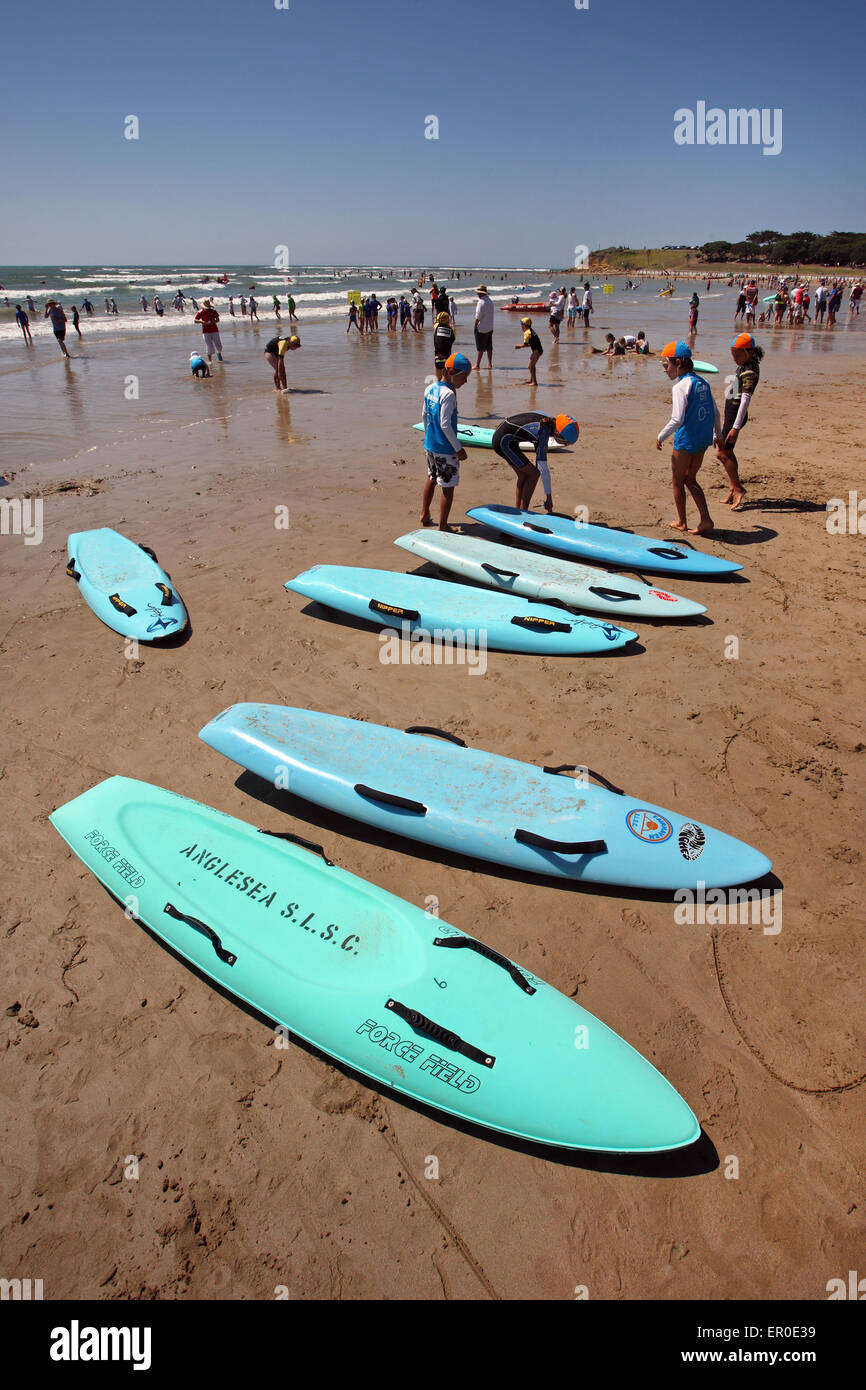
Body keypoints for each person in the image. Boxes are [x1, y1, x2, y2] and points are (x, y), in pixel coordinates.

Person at [656, 340, 720, 535]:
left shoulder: (680, 387)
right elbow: (715, 411)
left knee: (677, 480)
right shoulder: (702, 382)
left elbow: (677, 419)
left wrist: (660, 437)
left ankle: (682, 521)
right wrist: (718, 434)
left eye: (666, 365)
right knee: (690, 479)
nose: (665, 370)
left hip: (686, 440)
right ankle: (706, 519)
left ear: (679, 363)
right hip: (703, 438)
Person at [420, 351, 471, 530]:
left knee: (432, 477)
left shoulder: (430, 388)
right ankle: (443, 525)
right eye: (464, 377)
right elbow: (444, 424)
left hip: (430, 445)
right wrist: (458, 448)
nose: (465, 381)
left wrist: (428, 436)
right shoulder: (448, 394)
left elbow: (424, 415)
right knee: (448, 488)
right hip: (445, 448)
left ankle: (424, 513)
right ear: (452, 373)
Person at [492, 411, 578, 512]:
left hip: (508, 437)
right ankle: (524, 511)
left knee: (524, 475)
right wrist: (549, 497)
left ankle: (517, 510)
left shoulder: (548, 421)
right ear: (557, 433)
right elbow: (543, 468)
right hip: (502, 441)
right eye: (565, 443)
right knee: (534, 474)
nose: (564, 445)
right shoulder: (543, 431)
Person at [715, 331, 763, 512]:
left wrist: (735, 427)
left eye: (738, 355)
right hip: (731, 412)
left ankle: (738, 488)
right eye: (732, 355)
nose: (734, 358)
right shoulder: (746, 365)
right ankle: (732, 487)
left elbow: (745, 400)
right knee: (727, 452)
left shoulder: (749, 371)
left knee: (723, 453)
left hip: (736, 414)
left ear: (750, 352)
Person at [515, 316, 543, 385]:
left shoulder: (527, 333)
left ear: (525, 325)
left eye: (521, 325)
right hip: (539, 350)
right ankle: (532, 379)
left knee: (530, 366)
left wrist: (519, 346)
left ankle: (534, 382)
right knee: (532, 365)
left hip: (536, 351)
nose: (521, 327)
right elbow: (531, 343)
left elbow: (526, 344)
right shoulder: (530, 330)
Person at [473, 283, 494, 368]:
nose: (477, 294)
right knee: (489, 347)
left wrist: (475, 326)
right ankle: (489, 363)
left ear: (480, 293)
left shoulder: (481, 302)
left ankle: (477, 364)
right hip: (490, 327)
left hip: (481, 328)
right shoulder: (490, 301)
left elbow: (478, 316)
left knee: (480, 347)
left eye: (478, 293)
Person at [433, 310, 455, 378]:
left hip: (437, 357)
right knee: (447, 379)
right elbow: (453, 339)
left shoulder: (436, 327)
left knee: (438, 380)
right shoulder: (451, 330)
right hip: (447, 357)